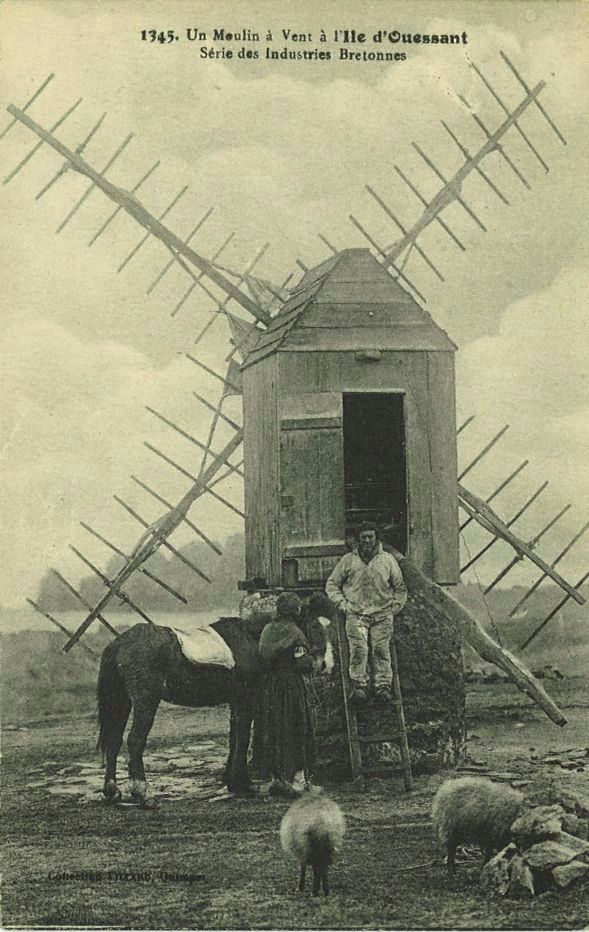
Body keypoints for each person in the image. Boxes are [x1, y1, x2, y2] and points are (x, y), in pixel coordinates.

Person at [326, 522, 407, 706]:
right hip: (357, 615)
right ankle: (359, 685)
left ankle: (383, 686)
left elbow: (400, 587)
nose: (368, 540)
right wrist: (342, 604)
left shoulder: (387, 560)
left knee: (381, 649)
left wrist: (395, 607)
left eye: (371, 537)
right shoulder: (348, 560)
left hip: (382, 614)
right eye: (364, 537)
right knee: (358, 650)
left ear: (376, 538)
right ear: (358, 540)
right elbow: (332, 584)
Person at [252, 592, 316, 798]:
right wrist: (312, 663)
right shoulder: (295, 633)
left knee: (272, 728)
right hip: (291, 686)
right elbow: (303, 663)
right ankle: (297, 780)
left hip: (270, 687)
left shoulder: (267, 630)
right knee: (296, 727)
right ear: (295, 611)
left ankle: (275, 778)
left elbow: (261, 657)